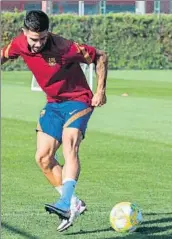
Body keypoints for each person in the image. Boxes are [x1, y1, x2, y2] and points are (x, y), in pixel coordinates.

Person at [1, 10, 108, 232]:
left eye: (42, 38)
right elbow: (3, 55)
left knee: (70, 145)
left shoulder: (64, 47)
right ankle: (74, 203)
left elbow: (100, 56)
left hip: (79, 101)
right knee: (43, 158)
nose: (38, 43)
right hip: (53, 104)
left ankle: (64, 203)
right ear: (24, 33)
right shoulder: (19, 44)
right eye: (33, 39)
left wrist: (100, 91)